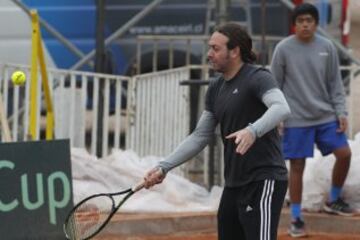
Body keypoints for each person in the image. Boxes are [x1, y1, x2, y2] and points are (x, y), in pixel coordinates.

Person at [143, 22, 291, 240]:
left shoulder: (258, 77)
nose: (209, 54)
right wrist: (164, 167)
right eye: (209, 47)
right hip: (234, 182)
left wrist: (252, 131)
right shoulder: (216, 88)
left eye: (215, 48)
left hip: (264, 178)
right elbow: (200, 136)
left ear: (234, 51)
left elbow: (281, 108)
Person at [270, 3, 353, 238]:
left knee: (345, 154)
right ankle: (296, 218)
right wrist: (277, 116)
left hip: (325, 116)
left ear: (316, 24)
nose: (305, 24)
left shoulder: (327, 47)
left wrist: (341, 112)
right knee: (296, 166)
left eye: (309, 20)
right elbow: (275, 85)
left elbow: (335, 84)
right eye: (300, 21)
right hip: (295, 118)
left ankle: (334, 199)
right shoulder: (283, 49)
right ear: (294, 24)